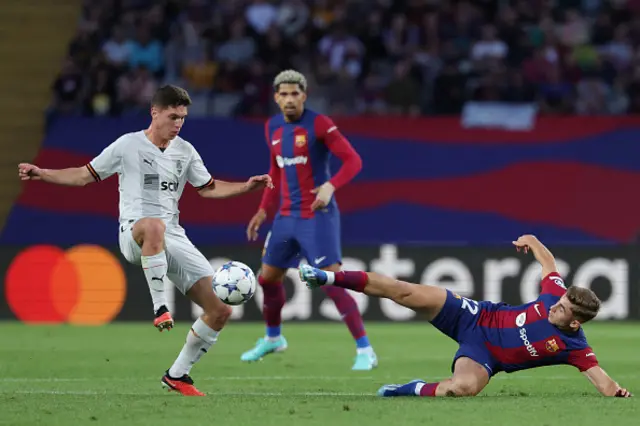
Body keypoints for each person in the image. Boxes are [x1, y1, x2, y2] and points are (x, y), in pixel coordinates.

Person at [18, 85, 273, 396]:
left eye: (183, 118)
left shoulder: (185, 151)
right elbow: (84, 175)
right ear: (155, 112)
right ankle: (160, 306)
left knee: (220, 310)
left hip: (173, 235)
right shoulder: (128, 145)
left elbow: (208, 188)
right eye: (173, 116)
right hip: (133, 233)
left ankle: (177, 375)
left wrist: (247, 186)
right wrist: (42, 173)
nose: (178, 124)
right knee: (153, 225)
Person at [299, 234, 632, 397]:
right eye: (559, 300)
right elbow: (549, 263)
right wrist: (531, 240)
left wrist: (619, 393)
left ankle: (402, 391)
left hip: (485, 356)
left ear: (575, 323)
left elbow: (603, 381)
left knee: (462, 389)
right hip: (474, 317)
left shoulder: (574, 348)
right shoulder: (551, 295)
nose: (555, 306)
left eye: (562, 309)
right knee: (405, 291)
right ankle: (326, 277)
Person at [241, 70, 377, 370]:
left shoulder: (319, 124)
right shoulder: (272, 127)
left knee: (331, 282)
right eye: (284, 94)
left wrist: (330, 186)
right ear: (276, 98)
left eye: (295, 94)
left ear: (304, 95)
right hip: (285, 217)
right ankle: (273, 338)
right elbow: (276, 170)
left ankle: (365, 349)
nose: (289, 100)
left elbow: (354, 160)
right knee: (268, 278)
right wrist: (264, 208)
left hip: (317, 216)